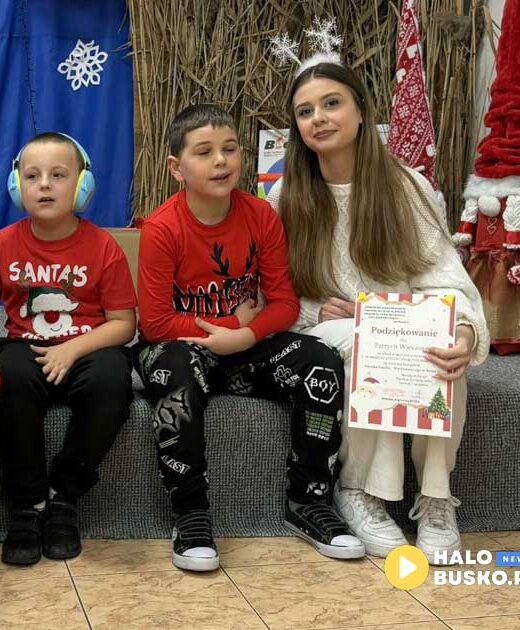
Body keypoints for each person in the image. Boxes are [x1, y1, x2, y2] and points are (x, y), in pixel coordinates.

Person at [268, 60, 488, 561]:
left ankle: (435, 497)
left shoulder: (405, 186)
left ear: (361, 111)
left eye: (332, 103)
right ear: (297, 128)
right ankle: (360, 490)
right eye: (305, 112)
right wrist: (313, 310)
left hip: (404, 320)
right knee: (366, 344)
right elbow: (274, 291)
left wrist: (465, 334)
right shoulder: (287, 196)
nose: (319, 118)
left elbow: (447, 278)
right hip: (329, 331)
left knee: (442, 344)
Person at [137, 104, 364, 572]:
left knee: (319, 359)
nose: (221, 161)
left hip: (244, 347)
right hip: (184, 349)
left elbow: (284, 304)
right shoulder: (162, 228)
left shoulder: (261, 216)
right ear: (177, 168)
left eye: (230, 149)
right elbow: (155, 321)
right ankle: (190, 513)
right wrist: (220, 335)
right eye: (205, 152)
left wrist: (243, 336)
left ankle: (309, 502)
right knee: (173, 365)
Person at [0, 132, 136, 566]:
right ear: (17, 186)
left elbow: (124, 325)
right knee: (7, 372)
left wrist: (72, 350)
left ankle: (64, 495)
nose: (45, 185)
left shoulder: (103, 247)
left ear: (82, 186)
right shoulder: (2, 245)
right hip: (27, 350)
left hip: (87, 349)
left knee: (112, 380)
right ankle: (26, 506)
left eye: (58, 175)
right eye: (32, 176)